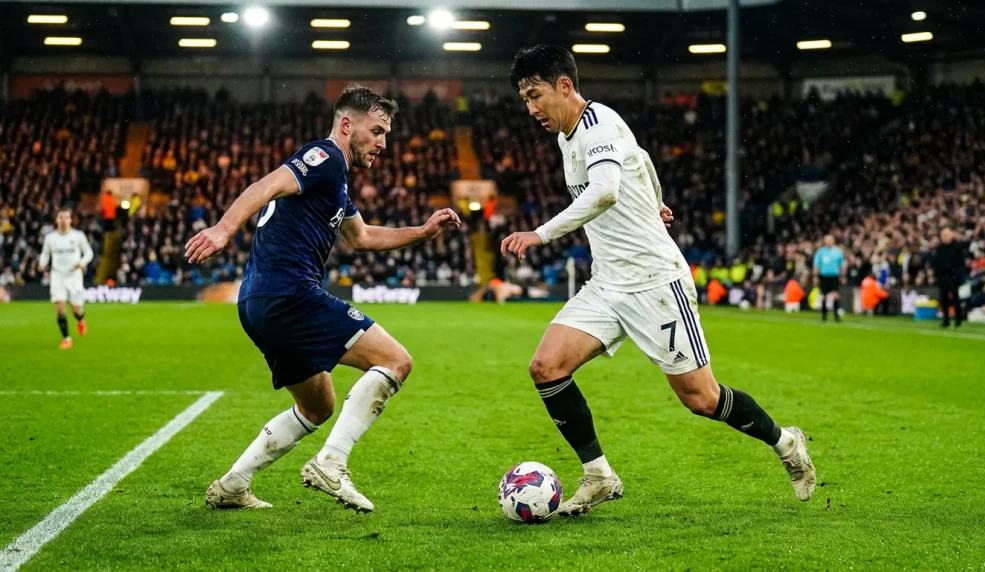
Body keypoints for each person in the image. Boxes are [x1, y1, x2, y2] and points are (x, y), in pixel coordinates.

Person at [501, 45, 815, 517]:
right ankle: (598, 475)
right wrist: (656, 200)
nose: (530, 108)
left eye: (535, 94)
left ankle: (787, 442)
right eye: (524, 98)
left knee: (702, 399)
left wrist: (540, 234)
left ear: (565, 86)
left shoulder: (597, 125)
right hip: (607, 283)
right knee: (546, 366)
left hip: (656, 283)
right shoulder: (570, 137)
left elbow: (606, 191)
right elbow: (641, 160)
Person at [186, 86, 462, 512]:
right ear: (347, 125)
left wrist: (421, 232)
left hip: (257, 302)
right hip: (290, 293)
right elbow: (266, 184)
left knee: (317, 406)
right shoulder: (326, 157)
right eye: (376, 131)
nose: (383, 143)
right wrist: (223, 230)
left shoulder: (336, 183)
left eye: (386, 134)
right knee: (395, 360)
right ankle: (331, 463)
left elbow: (363, 237)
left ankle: (232, 485)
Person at [38, 207, 93, 349]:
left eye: (66, 217)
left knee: (77, 309)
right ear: (56, 220)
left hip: (74, 275)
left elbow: (88, 253)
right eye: (60, 217)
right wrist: (42, 263)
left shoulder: (78, 236)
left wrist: (82, 263)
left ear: (70, 220)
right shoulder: (50, 238)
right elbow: (45, 254)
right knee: (60, 306)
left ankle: (81, 320)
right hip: (57, 275)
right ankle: (66, 338)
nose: (63, 220)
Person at [933, 228, 967, 328]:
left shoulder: (957, 247)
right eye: (942, 236)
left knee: (955, 298)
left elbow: (961, 263)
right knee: (944, 299)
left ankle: (958, 319)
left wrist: (959, 276)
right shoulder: (940, 248)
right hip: (943, 276)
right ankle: (946, 320)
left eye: (945, 236)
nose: (943, 238)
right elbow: (937, 263)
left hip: (953, 276)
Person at [813, 235, 845, 322]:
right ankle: (824, 316)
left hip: (834, 276)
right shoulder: (820, 252)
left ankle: (836, 316)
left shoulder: (838, 251)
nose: (829, 241)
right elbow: (816, 265)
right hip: (824, 276)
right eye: (827, 240)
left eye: (831, 240)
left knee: (836, 295)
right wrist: (815, 276)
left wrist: (843, 276)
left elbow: (842, 265)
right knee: (824, 296)